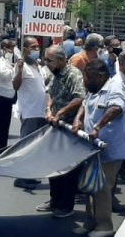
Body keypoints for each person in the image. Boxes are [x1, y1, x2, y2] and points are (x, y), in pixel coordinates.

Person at [73, 59, 125, 237]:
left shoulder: (114, 87)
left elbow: (116, 108)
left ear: (99, 76)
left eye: (87, 78)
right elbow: (84, 104)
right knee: (91, 186)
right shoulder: (94, 89)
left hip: (110, 150)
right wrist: (78, 119)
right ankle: (91, 222)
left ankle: (104, 226)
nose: (85, 81)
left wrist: (98, 127)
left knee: (102, 188)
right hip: (92, 148)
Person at [39, 45, 84, 219]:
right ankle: (54, 200)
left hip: (68, 127)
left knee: (67, 170)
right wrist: (49, 109)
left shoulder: (73, 74)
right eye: (45, 59)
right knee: (53, 166)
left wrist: (60, 113)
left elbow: (79, 97)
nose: (46, 63)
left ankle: (66, 205)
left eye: (49, 60)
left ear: (60, 59)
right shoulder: (54, 74)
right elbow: (49, 92)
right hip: (54, 125)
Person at [12, 37, 47, 190]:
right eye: (33, 47)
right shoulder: (22, 66)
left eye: (37, 46)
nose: (36, 49)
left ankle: (30, 175)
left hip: (41, 112)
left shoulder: (37, 65)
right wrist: (19, 71)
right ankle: (21, 177)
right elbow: (16, 86)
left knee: (36, 148)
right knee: (26, 146)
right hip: (29, 112)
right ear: (25, 49)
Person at [0, 37, 18, 155]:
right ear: (4, 49)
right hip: (0, 96)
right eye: (10, 48)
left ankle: (2, 147)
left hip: (9, 97)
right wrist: (15, 69)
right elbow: (4, 75)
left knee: (6, 124)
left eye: (13, 48)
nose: (12, 51)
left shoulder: (9, 62)